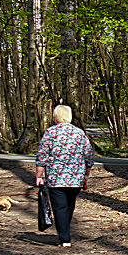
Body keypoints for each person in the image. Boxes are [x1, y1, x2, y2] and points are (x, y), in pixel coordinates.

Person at [35, 105, 94, 247]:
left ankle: (64, 238)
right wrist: (86, 174)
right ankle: (65, 232)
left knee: (60, 207)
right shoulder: (79, 133)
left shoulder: (50, 133)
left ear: (56, 117)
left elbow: (42, 156)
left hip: (56, 178)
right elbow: (89, 156)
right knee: (69, 205)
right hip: (76, 178)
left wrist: (39, 176)